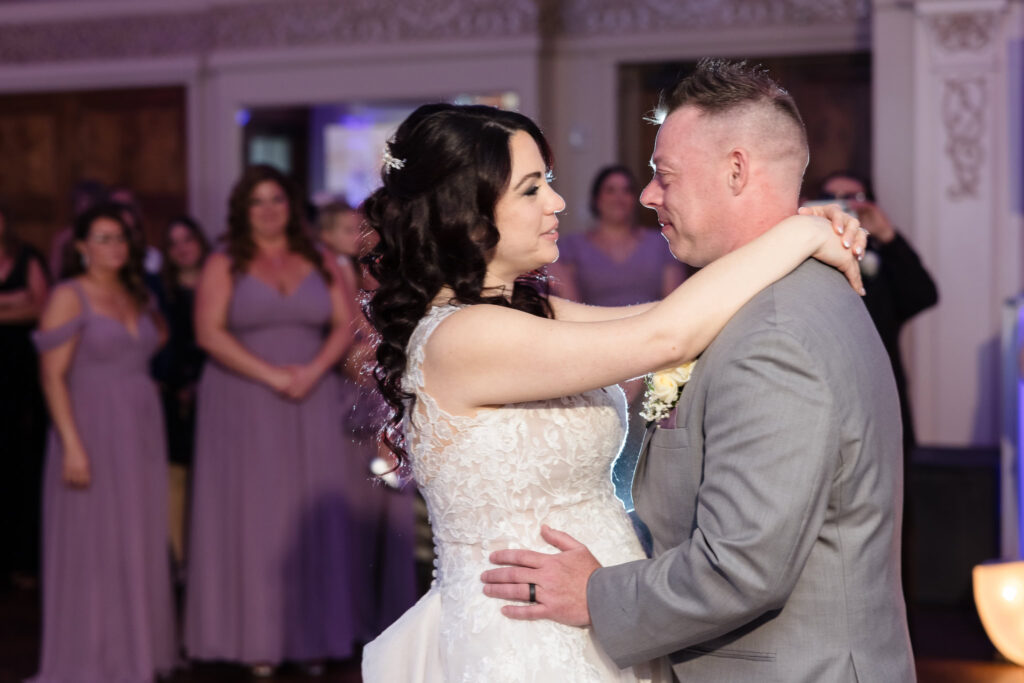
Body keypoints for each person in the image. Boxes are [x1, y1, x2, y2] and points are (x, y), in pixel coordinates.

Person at [359, 101, 867, 682]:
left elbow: (675, 313)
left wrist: (787, 231)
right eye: (531, 190)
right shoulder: (462, 338)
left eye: (546, 183)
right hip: (527, 635)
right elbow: (667, 336)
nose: (557, 202)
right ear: (466, 214)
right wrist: (801, 231)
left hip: (601, 612)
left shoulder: (529, 310)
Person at [481, 60, 915, 682]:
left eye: (663, 175)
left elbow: (741, 566)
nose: (647, 195)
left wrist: (595, 595)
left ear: (736, 170)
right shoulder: (765, 297)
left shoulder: (773, 334)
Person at [184, 165, 358, 677]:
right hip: (242, 401)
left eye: (276, 199)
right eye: (257, 201)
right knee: (253, 518)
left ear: (291, 205)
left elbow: (343, 324)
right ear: (243, 210)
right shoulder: (224, 263)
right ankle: (254, 638)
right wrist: (272, 376)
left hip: (311, 397)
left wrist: (311, 372)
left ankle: (314, 637)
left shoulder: (319, 258)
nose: (268, 209)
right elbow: (208, 333)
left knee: (309, 515)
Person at [30, 203, 176, 683]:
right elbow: (52, 378)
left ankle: (135, 651)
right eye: (104, 237)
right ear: (81, 246)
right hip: (90, 426)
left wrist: (133, 382)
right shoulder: (70, 295)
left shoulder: (137, 293)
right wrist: (72, 445)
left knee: (137, 537)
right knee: (93, 539)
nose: (115, 246)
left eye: (121, 237)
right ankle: (93, 659)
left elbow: (157, 338)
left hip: (139, 427)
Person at [316, 199, 421, 639]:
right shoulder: (332, 275)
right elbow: (347, 346)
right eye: (346, 227)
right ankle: (357, 620)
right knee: (355, 517)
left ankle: (395, 618)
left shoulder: (401, 273)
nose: (357, 234)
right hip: (352, 407)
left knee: (396, 517)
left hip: (391, 401)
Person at [817, 170, 938, 456]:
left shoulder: (883, 258)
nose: (844, 205)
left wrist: (887, 236)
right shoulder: (808, 257)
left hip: (881, 395)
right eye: (834, 199)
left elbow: (923, 295)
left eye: (854, 198)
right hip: (827, 397)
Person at [150, 215, 210, 573]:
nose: (182, 249)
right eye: (173, 244)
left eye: (188, 239)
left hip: (218, 390)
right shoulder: (159, 290)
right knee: (177, 477)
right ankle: (181, 560)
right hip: (173, 395)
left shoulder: (223, 281)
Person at [0, 201, 49, 590]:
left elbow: (45, 311)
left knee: (23, 462)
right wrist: (15, 303)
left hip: (22, 374)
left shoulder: (27, 256)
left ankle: (24, 560)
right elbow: (28, 305)